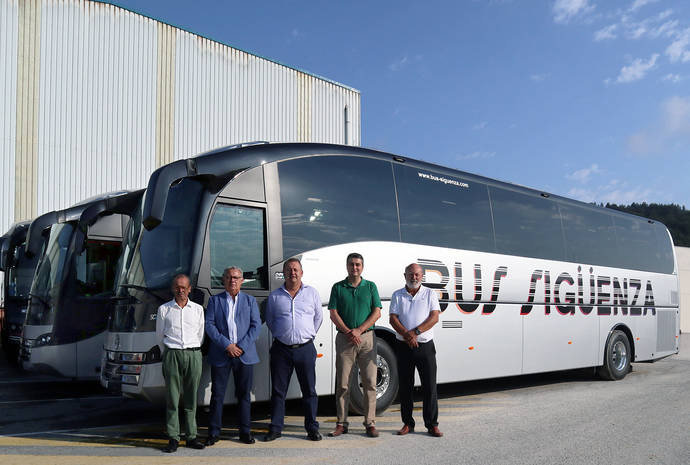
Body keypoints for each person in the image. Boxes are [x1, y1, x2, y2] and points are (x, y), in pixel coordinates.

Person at [263, 258, 323, 442]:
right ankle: (275, 428)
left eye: (296, 269)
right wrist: (284, 335)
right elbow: (271, 321)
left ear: (301, 272)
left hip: (305, 349)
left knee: (309, 390)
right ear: (284, 273)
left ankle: (312, 428)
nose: (292, 273)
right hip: (281, 350)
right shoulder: (275, 296)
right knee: (278, 391)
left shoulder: (312, 293)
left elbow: (318, 318)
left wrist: (307, 335)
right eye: (289, 270)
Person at [204, 267, 261, 445]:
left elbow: (256, 327)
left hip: (244, 355)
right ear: (223, 280)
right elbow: (209, 325)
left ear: (242, 280)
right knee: (217, 395)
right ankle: (214, 433)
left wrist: (241, 347)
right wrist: (227, 345)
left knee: (244, 395)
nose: (232, 281)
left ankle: (245, 432)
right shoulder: (215, 301)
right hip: (222, 354)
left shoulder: (250, 301)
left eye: (236, 277)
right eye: (229, 277)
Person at [327, 252, 381, 437]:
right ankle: (342, 423)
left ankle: (370, 423)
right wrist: (349, 331)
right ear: (347, 266)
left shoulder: (371, 287)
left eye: (358, 264)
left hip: (367, 339)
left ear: (362, 267)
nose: (354, 267)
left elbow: (377, 312)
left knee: (370, 383)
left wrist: (359, 330)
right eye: (351, 264)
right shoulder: (338, 287)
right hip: (345, 339)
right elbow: (333, 313)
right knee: (343, 384)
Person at [389, 263, 443, 438]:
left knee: (429, 386)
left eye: (417, 274)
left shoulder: (429, 294)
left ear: (422, 276)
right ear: (405, 275)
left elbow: (434, 317)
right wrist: (407, 335)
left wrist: (415, 333)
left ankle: (432, 424)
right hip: (403, 346)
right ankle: (407, 423)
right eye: (411, 274)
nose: (414, 277)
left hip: (425, 347)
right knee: (405, 387)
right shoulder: (397, 295)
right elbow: (393, 319)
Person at [156, 274, 206, 453]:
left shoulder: (198, 309)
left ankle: (191, 436)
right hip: (172, 354)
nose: (181, 290)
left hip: (193, 354)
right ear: (173, 289)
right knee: (172, 398)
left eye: (184, 287)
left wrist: (192, 350)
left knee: (192, 398)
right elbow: (160, 335)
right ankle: (173, 437)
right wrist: (168, 353)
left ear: (190, 289)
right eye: (177, 287)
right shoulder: (164, 310)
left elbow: (201, 334)